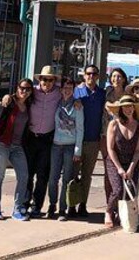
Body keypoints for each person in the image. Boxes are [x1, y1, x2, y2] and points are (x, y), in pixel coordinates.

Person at [0, 78, 33, 221]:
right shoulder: (8, 103)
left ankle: (17, 209)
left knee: (24, 176)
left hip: (18, 146)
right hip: (2, 144)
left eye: (27, 89)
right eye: (21, 88)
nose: (23, 91)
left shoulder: (29, 106)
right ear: (17, 87)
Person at [104, 95, 139, 228]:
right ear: (120, 109)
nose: (128, 109)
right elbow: (110, 149)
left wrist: (131, 168)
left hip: (131, 162)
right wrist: (119, 168)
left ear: (134, 108)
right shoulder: (114, 124)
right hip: (114, 161)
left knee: (130, 191)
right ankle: (109, 211)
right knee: (117, 189)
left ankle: (122, 214)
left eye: (130, 106)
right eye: (125, 107)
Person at [25, 66, 62, 217]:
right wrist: (8, 97)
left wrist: (77, 101)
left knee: (42, 175)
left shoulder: (59, 93)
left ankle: (36, 206)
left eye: (50, 79)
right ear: (39, 79)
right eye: (44, 79)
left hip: (47, 139)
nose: (47, 82)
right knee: (27, 173)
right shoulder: (31, 91)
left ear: (54, 81)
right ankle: (23, 203)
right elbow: (19, 95)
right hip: (31, 138)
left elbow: (73, 90)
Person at [72, 64, 106, 218]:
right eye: (88, 74)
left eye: (94, 74)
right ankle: (71, 204)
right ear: (84, 75)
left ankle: (83, 205)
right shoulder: (76, 92)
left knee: (87, 175)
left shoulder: (102, 94)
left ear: (98, 76)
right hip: (76, 141)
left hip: (93, 141)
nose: (91, 77)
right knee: (73, 175)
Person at [48, 77, 83, 221]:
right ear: (60, 89)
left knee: (66, 179)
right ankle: (52, 205)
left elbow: (80, 129)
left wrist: (78, 150)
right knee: (53, 178)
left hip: (70, 146)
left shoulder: (77, 106)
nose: (67, 90)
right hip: (56, 145)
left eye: (70, 87)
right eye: (64, 87)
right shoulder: (56, 103)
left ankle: (63, 209)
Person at [102, 67, 128, 209]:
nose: (115, 79)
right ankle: (110, 205)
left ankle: (121, 205)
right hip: (106, 136)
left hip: (123, 138)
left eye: (118, 76)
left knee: (122, 170)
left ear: (124, 79)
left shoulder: (128, 95)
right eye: (113, 76)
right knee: (109, 172)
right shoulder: (107, 93)